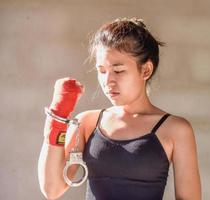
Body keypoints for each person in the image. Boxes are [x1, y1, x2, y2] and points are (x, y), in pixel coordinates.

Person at [38, 17, 201, 200]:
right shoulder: (87, 123)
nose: (108, 81)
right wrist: (57, 117)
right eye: (101, 71)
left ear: (146, 70)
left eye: (118, 70)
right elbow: (52, 189)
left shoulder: (176, 129)